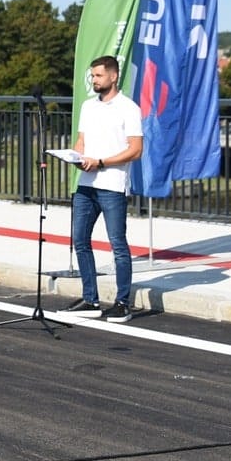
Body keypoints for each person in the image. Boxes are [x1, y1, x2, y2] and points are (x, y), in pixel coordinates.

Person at [65, 54, 144, 322]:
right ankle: (91, 300)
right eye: (92, 76)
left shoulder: (128, 108)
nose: (94, 80)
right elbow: (81, 141)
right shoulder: (88, 107)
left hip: (112, 185)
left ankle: (123, 303)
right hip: (86, 185)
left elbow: (136, 150)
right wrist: (76, 157)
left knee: (117, 244)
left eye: (98, 75)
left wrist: (101, 162)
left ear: (113, 76)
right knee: (80, 240)